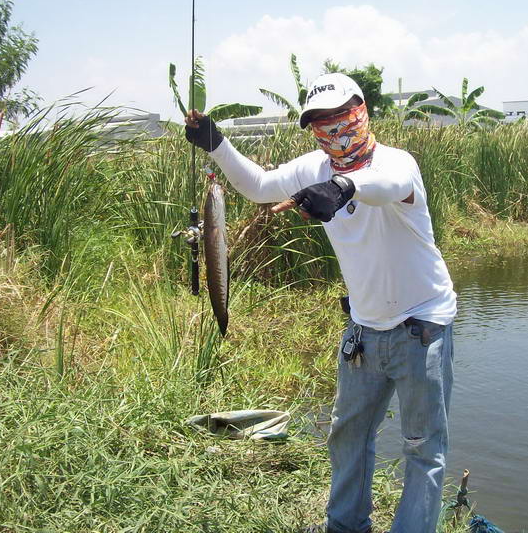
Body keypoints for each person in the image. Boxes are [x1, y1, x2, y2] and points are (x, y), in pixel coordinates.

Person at [184, 72, 456, 533]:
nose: (334, 126)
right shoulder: (315, 167)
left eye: (341, 114)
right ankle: (345, 527)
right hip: (363, 332)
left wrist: (343, 188)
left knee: (422, 449)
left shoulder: (398, 162)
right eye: (320, 120)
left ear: (362, 108)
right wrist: (216, 143)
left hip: (421, 326)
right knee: (348, 438)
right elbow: (260, 185)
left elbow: (387, 186)